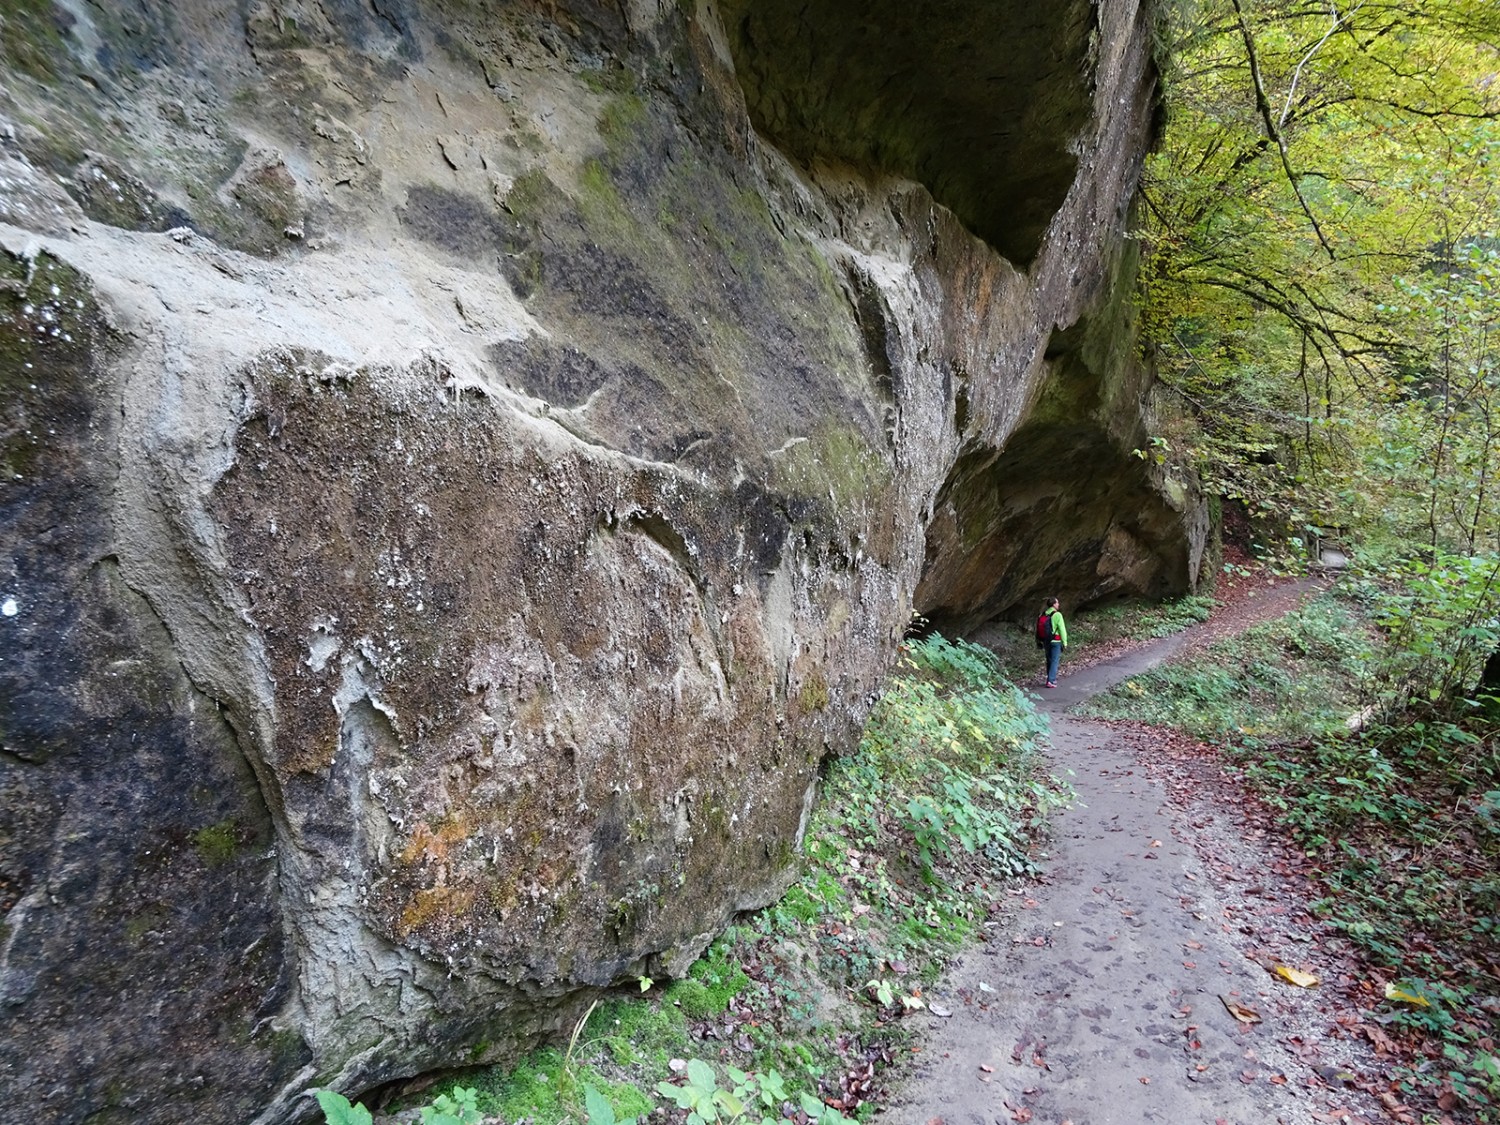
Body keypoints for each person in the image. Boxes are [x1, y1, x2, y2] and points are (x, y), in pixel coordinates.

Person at [1041, 597, 1067, 687]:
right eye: (1057, 603)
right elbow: (1062, 629)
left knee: (1049, 660)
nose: (1058, 604)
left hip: (1046, 640)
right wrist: (1065, 642)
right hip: (1056, 640)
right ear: (1053, 604)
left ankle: (1050, 678)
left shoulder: (1044, 614)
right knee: (1055, 661)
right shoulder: (1057, 615)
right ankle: (1051, 681)